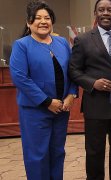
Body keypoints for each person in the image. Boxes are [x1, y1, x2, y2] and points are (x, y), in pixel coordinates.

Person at [9, 1, 77, 179]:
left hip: (61, 110)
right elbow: (20, 78)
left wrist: (72, 94)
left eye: (47, 17)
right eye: (37, 18)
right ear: (29, 23)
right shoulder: (21, 45)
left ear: (52, 21)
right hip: (35, 111)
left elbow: (73, 71)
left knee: (57, 153)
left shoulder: (62, 42)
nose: (43, 21)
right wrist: (47, 102)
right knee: (37, 156)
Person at [68, 0, 111, 179]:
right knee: (95, 151)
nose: (106, 13)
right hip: (96, 104)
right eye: (101, 10)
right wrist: (92, 83)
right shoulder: (83, 39)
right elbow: (73, 70)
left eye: (110, 10)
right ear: (96, 13)